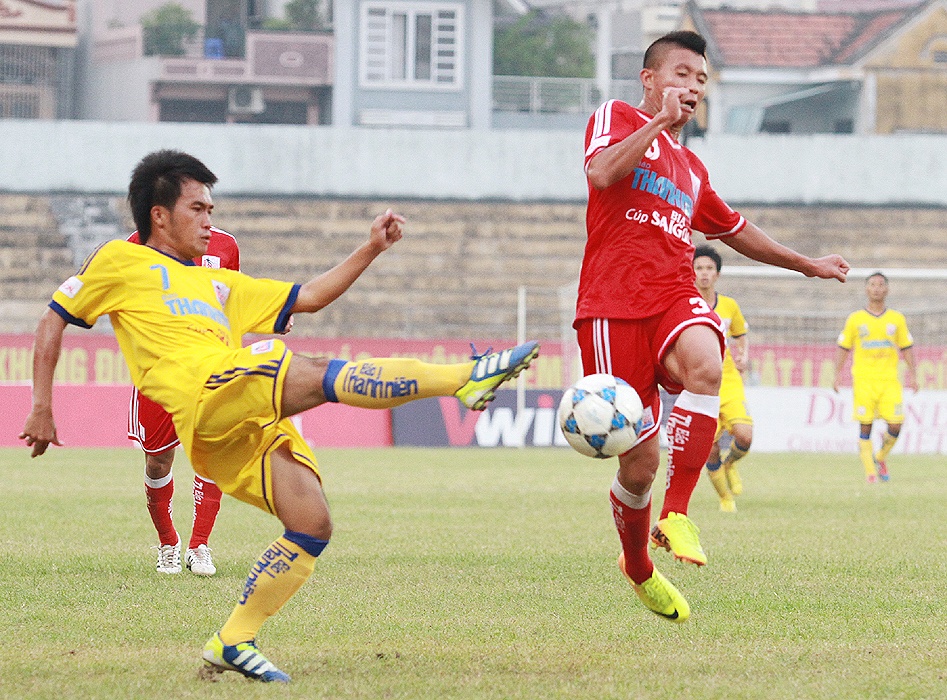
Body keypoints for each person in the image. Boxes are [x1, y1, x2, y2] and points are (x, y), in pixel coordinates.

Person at [19, 149, 539, 683]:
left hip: (231, 424)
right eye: (198, 208)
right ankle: (464, 378)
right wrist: (42, 405)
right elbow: (52, 321)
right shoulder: (119, 262)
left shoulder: (218, 284)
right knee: (309, 369)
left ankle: (233, 639)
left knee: (311, 521)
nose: (209, 220)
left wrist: (371, 248)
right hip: (204, 398)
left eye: (211, 210)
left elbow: (309, 297)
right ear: (159, 214)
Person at [578, 30, 849, 623]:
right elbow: (600, 176)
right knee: (638, 463)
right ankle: (638, 566)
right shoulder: (618, 117)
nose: (693, 87)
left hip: (673, 295)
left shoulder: (692, 167)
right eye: (681, 74)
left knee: (707, 360)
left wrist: (806, 264)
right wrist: (656, 126)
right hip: (612, 306)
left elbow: (735, 230)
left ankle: (677, 513)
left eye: (701, 79)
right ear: (650, 80)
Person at [127, 225, 240, 576]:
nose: (203, 213)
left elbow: (233, 303)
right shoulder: (138, 244)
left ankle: (200, 545)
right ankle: (168, 544)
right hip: (159, 369)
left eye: (206, 205)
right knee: (158, 461)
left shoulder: (226, 246)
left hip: (210, 368)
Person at [833, 272, 917, 483]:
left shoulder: (897, 319)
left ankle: (879, 457)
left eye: (881, 285)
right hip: (863, 380)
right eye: (872, 284)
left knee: (896, 424)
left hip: (889, 380)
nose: (877, 288)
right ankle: (870, 473)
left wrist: (913, 374)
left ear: (887, 290)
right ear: (866, 289)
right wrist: (836, 374)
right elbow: (844, 347)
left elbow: (906, 347)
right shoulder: (855, 319)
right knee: (865, 425)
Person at [693, 245, 753, 513]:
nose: (704, 274)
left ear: (717, 274)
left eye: (709, 269)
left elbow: (740, 334)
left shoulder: (729, 305)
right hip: (697, 383)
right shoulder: (684, 304)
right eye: (699, 268)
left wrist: (743, 355)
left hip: (727, 379)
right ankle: (725, 498)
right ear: (691, 272)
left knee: (745, 436)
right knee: (709, 448)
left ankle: (731, 465)